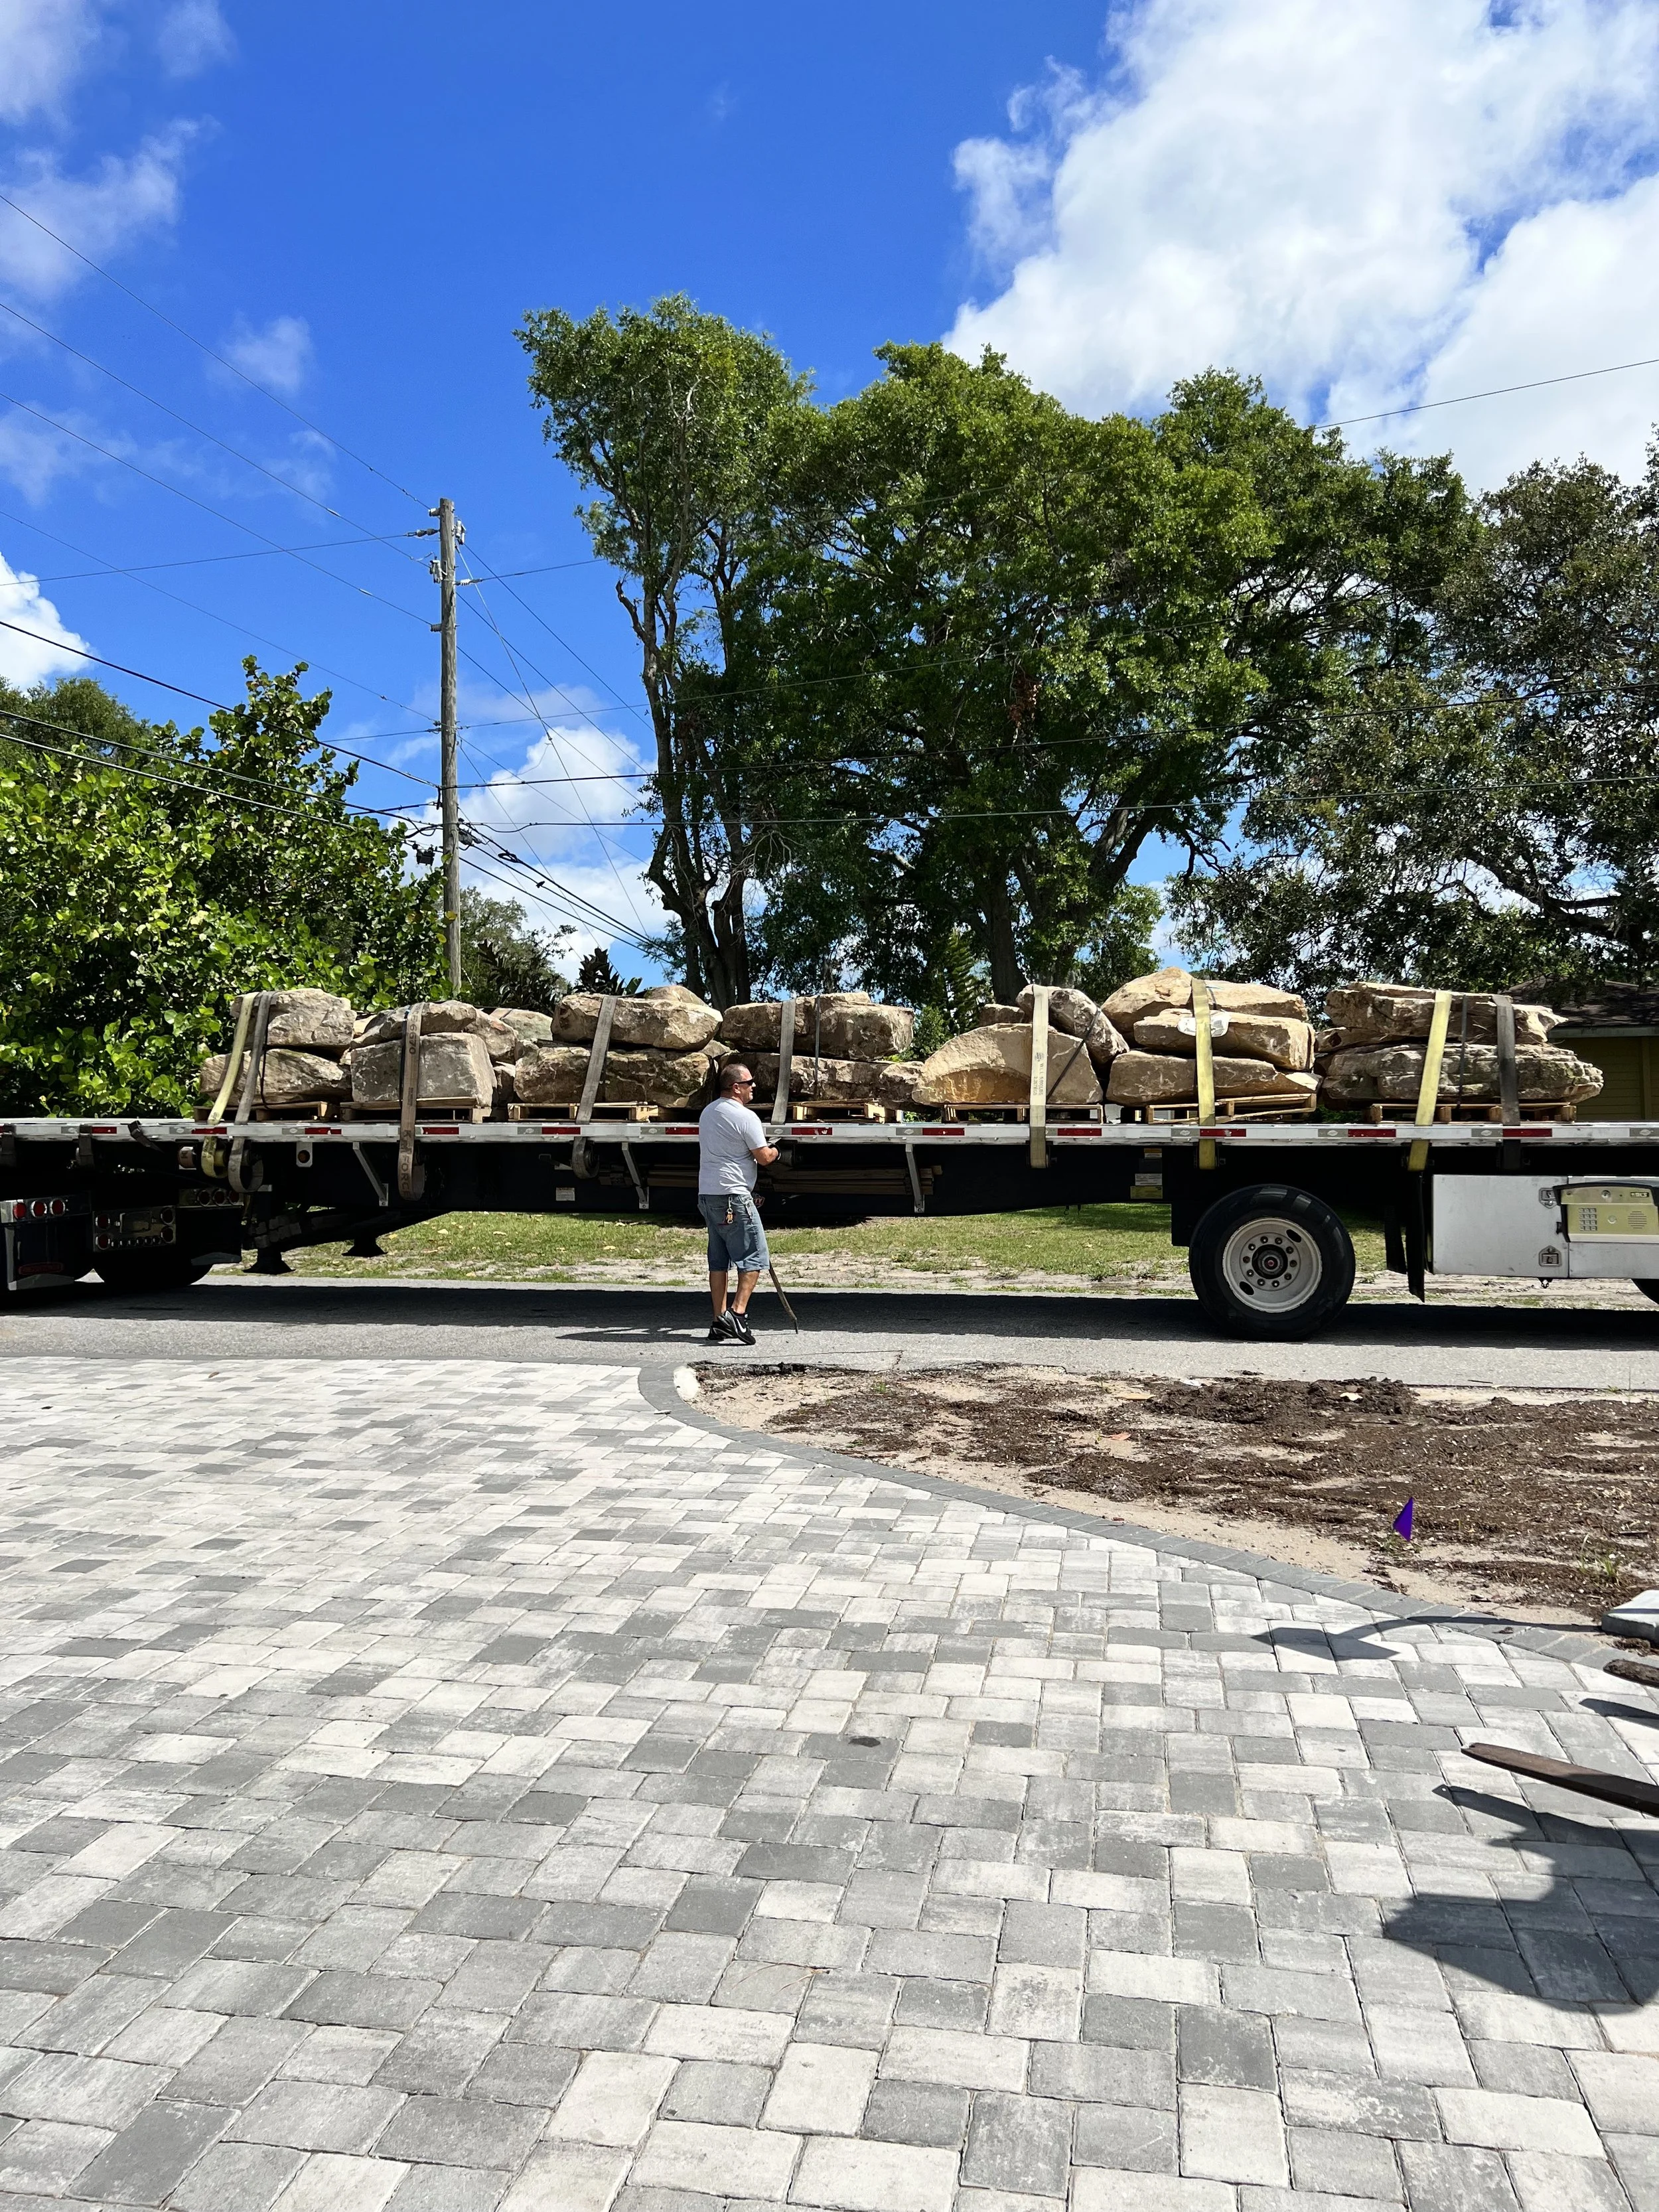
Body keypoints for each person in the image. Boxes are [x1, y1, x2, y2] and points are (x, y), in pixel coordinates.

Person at [697, 1061, 778, 1345]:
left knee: (719, 1261)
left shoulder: (708, 1113)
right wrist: (777, 1150)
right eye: (749, 1083)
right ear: (736, 1087)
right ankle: (737, 1314)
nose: (753, 1086)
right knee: (755, 1257)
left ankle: (718, 1321)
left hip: (708, 1195)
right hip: (734, 1196)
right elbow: (763, 1157)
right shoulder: (745, 1117)